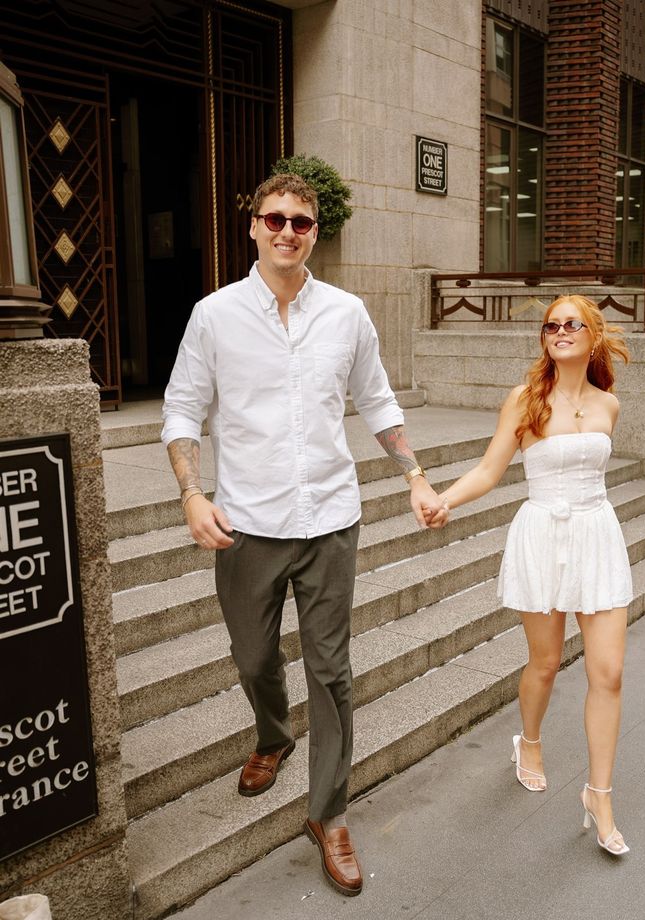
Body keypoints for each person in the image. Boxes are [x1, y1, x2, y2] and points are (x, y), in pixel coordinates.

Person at [161, 173, 442, 896]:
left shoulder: (347, 314)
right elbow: (183, 410)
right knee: (254, 657)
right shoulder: (214, 315)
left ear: (317, 233)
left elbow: (377, 400)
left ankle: (330, 811)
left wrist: (412, 473)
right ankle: (273, 735)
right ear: (253, 226)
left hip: (329, 520)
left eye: (303, 223)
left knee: (332, 670)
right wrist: (193, 493)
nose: (289, 231)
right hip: (247, 522)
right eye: (276, 219)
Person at [427, 294, 633, 856]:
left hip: (596, 536)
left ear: (592, 336)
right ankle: (531, 741)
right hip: (542, 535)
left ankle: (600, 794)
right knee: (544, 663)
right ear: (544, 338)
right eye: (551, 325)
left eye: (572, 324)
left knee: (608, 672)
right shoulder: (526, 400)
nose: (561, 330)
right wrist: (445, 499)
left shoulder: (608, 405)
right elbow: (491, 470)